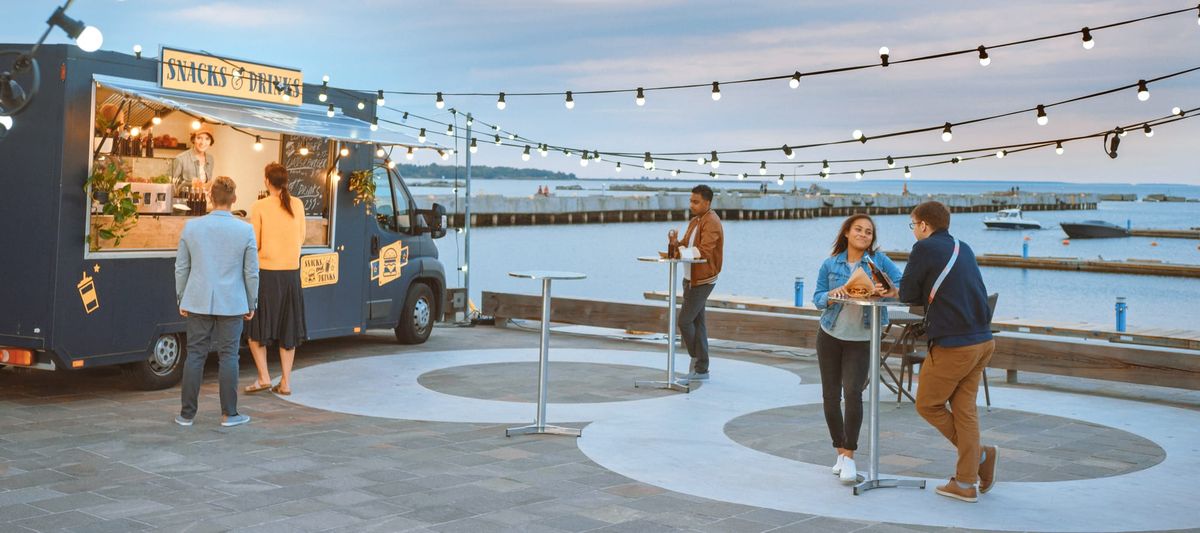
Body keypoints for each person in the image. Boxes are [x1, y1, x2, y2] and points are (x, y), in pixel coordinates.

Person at [900, 201, 997, 503]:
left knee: (927, 404)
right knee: (965, 411)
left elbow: (906, 294)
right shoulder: (962, 246)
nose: (913, 230)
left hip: (955, 346)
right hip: (983, 341)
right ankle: (967, 481)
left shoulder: (924, 248)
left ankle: (979, 457)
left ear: (924, 225)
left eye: (912, 225)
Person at [812, 214, 902, 484]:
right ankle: (839, 450)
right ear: (847, 233)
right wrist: (833, 294)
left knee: (852, 393)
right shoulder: (830, 264)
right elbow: (817, 298)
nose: (864, 235)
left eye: (869, 232)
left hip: (861, 338)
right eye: (859, 230)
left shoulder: (879, 262)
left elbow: (902, 285)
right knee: (830, 395)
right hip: (829, 334)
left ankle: (849, 456)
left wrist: (886, 289)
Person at [174, 176, 258, 427]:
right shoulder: (245, 229)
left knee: (195, 355)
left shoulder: (191, 227)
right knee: (229, 355)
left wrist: (181, 296)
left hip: (198, 299)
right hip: (232, 301)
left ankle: (186, 415)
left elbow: (181, 267)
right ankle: (229, 414)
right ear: (234, 199)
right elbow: (251, 272)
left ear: (210, 197)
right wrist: (252, 301)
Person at [244, 163, 308, 396]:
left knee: (256, 329)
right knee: (287, 329)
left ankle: (264, 377)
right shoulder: (298, 204)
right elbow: (301, 237)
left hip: (267, 274)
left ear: (266, 181)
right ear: (286, 181)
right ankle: (286, 383)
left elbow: (255, 243)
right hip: (291, 274)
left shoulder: (259, 206)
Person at [673, 184, 723, 381]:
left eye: (696, 201)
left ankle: (698, 361)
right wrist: (676, 244)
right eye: (690, 201)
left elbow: (705, 250)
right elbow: (687, 243)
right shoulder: (696, 221)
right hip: (690, 278)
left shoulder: (712, 222)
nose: (691, 204)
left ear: (707, 202)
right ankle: (701, 369)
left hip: (703, 279)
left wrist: (681, 251)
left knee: (684, 321)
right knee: (698, 323)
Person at [170, 126, 216, 200]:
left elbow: (206, 184)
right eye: (199, 138)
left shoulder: (210, 159)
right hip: (184, 202)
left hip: (203, 201)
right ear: (193, 139)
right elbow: (170, 183)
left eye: (207, 139)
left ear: (211, 141)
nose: (203, 142)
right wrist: (189, 184)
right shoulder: (181, 158)